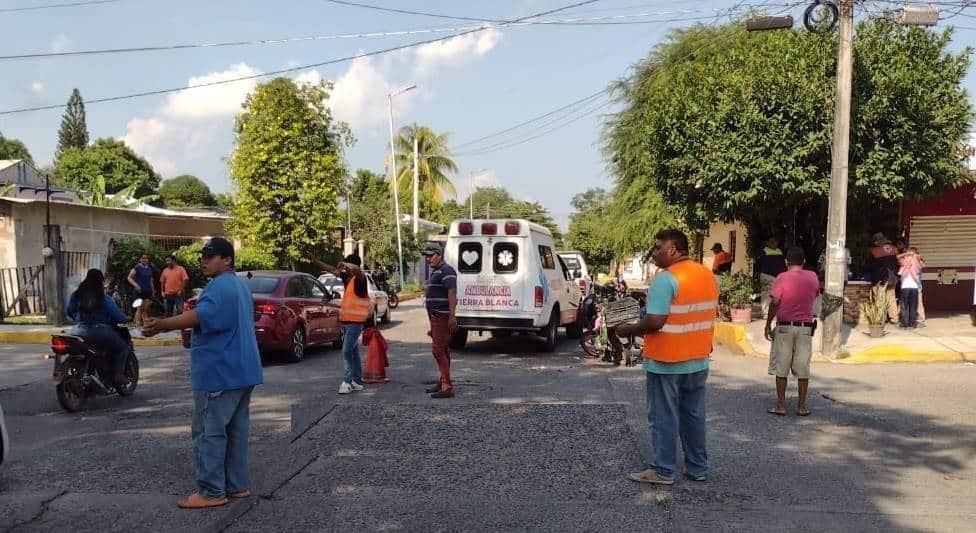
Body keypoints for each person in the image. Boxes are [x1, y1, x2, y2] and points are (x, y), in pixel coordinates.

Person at [142, 238, 263, 509]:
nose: (204, 261)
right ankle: (236, 485)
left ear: (227, 260)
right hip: (243, 371)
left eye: (211, 256)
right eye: (203, 257)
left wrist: (162, 324)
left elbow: (200, 316)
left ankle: (210, 491)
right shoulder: (240, 286)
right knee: (235, 432)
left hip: (219, 372)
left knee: (209, 432)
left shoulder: (219, 287)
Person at [616, 229, 718, 485]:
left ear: (673, 249)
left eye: (658, 247)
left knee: (663, 417)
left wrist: (629, 329)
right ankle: (698, 467)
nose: (654, 253)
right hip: (698, 359)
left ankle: (662, 470)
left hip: (667, 362)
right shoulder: (706, 275)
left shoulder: (666, 279)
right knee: (693, 415)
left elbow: (655, 321)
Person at [764, 247, 819, 417]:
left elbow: (774, 302)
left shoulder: (782, 277)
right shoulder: (812, 277)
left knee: (782, 367)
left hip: (784, 328)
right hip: (805, 328)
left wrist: (768, 324)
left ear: (786, 262)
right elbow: (816, 294)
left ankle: (781, 405)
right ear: (803, 262)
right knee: (803, 368)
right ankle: (801, 406)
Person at [311, 253, 370, 394]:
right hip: (347, 321)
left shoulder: (360, 279)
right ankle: (357, 380)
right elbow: (332, 269)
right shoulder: (348, 278)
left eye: (347, 267)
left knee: (346, 351)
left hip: (356, 323)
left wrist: (345, 264)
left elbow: (356, 269)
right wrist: (317, 261)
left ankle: (347, 381)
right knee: (353, 351)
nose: (344, 270)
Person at [66, 268, 130, 388]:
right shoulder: (104, 297)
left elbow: (70, 311)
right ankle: (119, 375)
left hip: (77, 331)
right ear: (101, 280)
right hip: (100, 332)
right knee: (122, 348)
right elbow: (116, 315)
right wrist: (125, 318)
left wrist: (78, 318)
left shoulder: (76, 294)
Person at [422, 243, 457, 399]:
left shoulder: (447, 271)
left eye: (431, 256)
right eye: (427, 256)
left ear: (439, 255)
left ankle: (447, 386)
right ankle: (443, 382)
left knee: (438, 351)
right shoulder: (435, 272)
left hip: (442, 317)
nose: (428, 259)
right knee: (443, 350)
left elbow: (452, 293)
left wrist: (452, 316)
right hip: (435, 318)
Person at [864, 233, 900, 323]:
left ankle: (881, 319)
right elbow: (898, 263)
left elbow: (868, 265)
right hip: (893, 278)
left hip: (880, 279)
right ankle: (894, 318)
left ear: (877, 242)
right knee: (891, 297)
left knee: (880, 299)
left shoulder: (874, 251)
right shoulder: (895, 249)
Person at [756, 237, 787, 314]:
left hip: (779, 277)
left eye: (775, 241)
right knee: (766, 295)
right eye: (771, 241)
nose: (773, 243)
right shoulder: (763, 251)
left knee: (778, 295)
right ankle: (766, 313)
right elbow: (758, 264)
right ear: (767, 243)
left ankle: (777, 313)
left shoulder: (780, 251)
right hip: (767, 276)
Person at [898, 247, 923, 329]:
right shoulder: (917, 261)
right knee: (913, 306)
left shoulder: (904, 260)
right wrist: (914, 255)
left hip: (905, 286)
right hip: (914, 287)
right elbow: (921, 264)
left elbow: (898, 257)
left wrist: (906, 254)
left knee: (904, 306)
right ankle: (912, 323)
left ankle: (905, 323)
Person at [127, 254, 156, 326]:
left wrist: (153, 291)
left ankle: (145, 325)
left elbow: (150, 281)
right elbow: (129, 277)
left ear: (148, 260)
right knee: (139, 308)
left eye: (146, 258)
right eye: (143, 258)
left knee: (145, 309)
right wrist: (136, 285)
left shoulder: (149, 268)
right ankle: (137, 325)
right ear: (140, 259)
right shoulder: (137, 267)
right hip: (139, 291)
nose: (144, 260)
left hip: (148, 291)